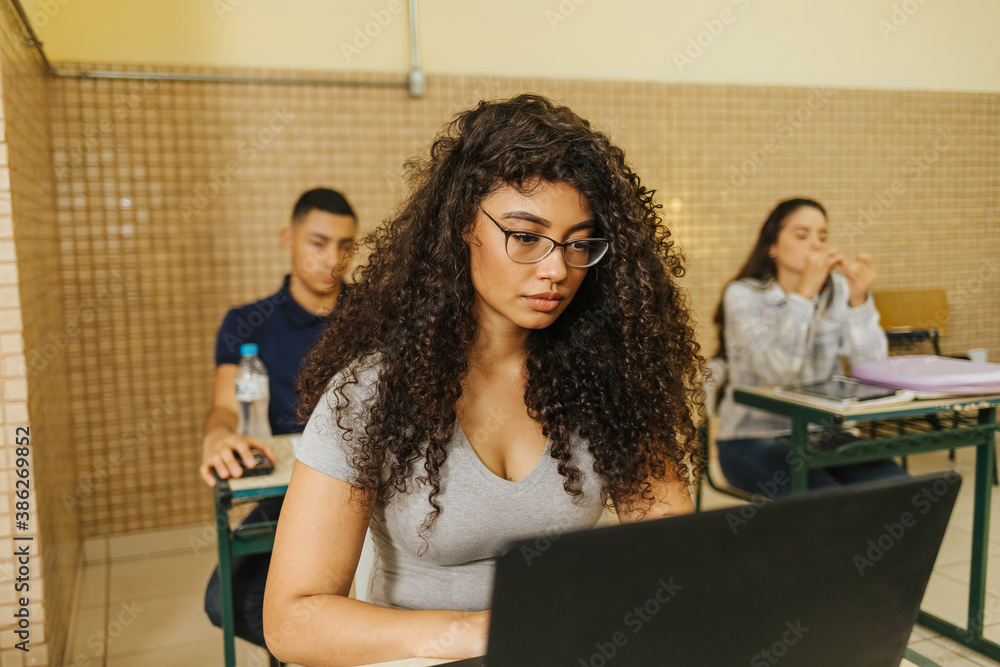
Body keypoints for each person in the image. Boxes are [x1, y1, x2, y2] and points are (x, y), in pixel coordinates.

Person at [262, 94, 705, 665]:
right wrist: (493, 631)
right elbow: (293, 620)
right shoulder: (374, 391)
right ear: (462, 227)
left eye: (579, 243)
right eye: (525, 236)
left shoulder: (610, 379)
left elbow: (672, 559)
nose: (557, 269)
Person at [201, 187, 358, 648]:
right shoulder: (248, 322)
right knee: (226, 601)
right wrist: (217, 436)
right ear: (288, 239)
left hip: (366, 486)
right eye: (318, 242)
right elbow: (226, 408)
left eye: (345, 245)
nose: (333, 258)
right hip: (289, 490)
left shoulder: (373, 313)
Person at [712, 197, 907, 496]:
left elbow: (874, 371)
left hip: (822, 433)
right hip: (750, 437)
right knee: (824, 502)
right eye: (802, 236)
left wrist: (859, 301)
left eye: (823, 236)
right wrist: (803, 295)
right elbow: (777, 373)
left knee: (899, 491)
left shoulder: (838, 289)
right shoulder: (743, 296)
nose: (816, 244)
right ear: (772, 246)